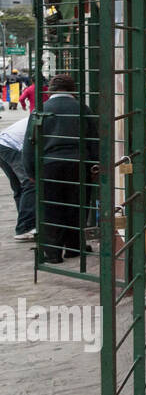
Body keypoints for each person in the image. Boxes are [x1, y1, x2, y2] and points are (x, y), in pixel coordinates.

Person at [23, 74, 99, 264]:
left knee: (51, 209)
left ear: (50, 90)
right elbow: (94, 141)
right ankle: (74, 247)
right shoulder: (83, 109)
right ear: (73, 90)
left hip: (49, 165)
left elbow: (29, 144)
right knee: (77, 206)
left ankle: (52, 252)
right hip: (78, 164)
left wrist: (31, 171)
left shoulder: (41, 110)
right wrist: (95, 165)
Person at [0, 115, 36, 240]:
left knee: (19, 187)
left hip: (4, 143)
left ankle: (25, 224)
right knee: (30, 183)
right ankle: (25, 227)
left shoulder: (41, 114)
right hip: (12, 146)